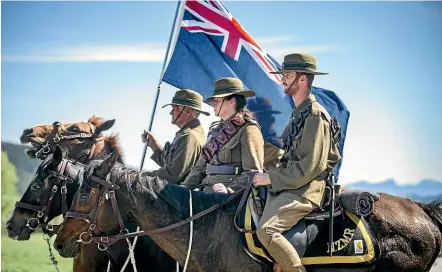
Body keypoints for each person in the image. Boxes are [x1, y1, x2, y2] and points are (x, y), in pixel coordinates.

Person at [252, 53, 341, 272]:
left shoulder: (315, 116)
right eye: (282, 74)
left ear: (302, 79)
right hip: (291, 186)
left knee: (267, 231)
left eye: (287, 75)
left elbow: (310, 167)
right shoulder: (298, 114)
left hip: (304, 190)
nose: (282, 78)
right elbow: (289, 158)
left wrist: (270, 178)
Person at [182, 77, 264, 193]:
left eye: (217, 100)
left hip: (230, 199)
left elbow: (253, 173)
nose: (213, 104)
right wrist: (184, 187)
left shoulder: (248, 130)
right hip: (206, 192)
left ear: (232, 101)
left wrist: (230, 190)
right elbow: (200, 167)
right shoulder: (214, 130)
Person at [141, 89, 209, 184]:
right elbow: (170, 165)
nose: (171, 112)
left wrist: (140, 177)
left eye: (174, 108)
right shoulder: (186, 134)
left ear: (188, 111)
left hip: (177, 195)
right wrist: (153, 144)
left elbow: (172, 174)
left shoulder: (190, 137)